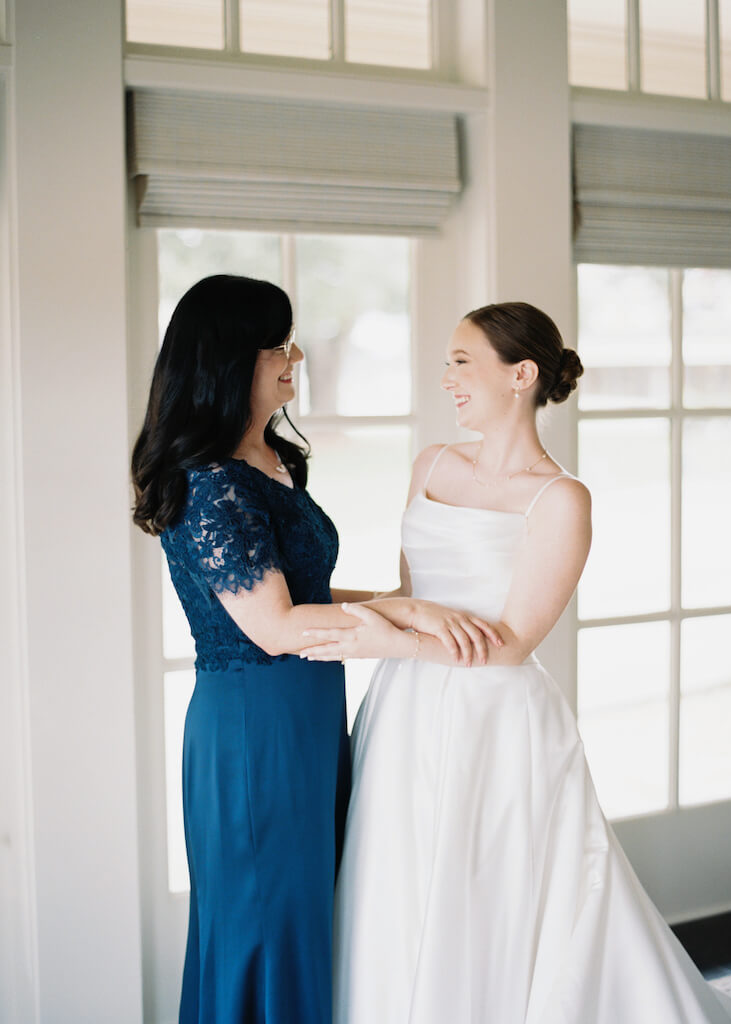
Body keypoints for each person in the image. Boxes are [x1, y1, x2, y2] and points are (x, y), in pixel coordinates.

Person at [299, 301, 731, 1023]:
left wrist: (380, 640)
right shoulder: (431, 465)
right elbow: (412, 594)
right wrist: (308, 604)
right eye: (446, 362)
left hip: (495, 716)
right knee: (395, 876)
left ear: (521, 375)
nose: (447, 378)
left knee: (488, 889)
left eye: (462, 361)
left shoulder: (560, 498)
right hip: (404, 707)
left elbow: (512, 640)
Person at [130, 275, 500, 1024]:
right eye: (279, 343)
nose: (295, 354)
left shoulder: (271, 460)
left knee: (305, 921)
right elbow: (276, 629)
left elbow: (310, 599)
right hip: (252, 733)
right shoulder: (210, 486)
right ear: (235, 359)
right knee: (266, 929)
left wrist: (411, 609)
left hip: (303, 721)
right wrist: (417, 627)